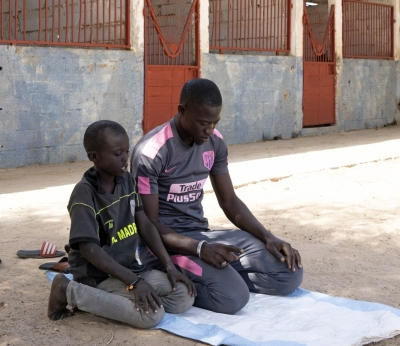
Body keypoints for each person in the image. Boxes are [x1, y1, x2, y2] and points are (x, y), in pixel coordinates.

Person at [131, 79, 303, 315]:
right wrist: (200, 249)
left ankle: (217, 276)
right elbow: (148, 223)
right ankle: (167, 277)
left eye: (215, 122)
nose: (209, 130)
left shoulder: (215, 142)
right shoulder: (151, 152)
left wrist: (268, 237)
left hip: (201, 235)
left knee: (288, 272)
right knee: (232, 297)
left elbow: (229, 201)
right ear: (182, 111)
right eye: (204, 123)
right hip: (162, 246)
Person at [48, 120, 195, 327]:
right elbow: (89, 249)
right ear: (94, 157)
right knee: (151, 316)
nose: (125, 158)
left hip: (129, 268)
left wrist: (169, 266)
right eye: (118, 154)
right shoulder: (84, 194)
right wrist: (135, 283)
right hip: (97, 276)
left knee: (183, 296)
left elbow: (144, 224)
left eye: (126, 151)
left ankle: (118, 300)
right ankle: (67, 289)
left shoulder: (127, 180)